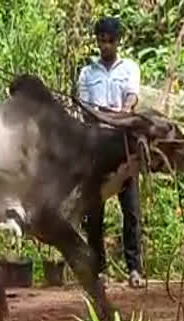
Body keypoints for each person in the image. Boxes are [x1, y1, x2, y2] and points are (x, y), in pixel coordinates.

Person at [78, 16, 145, 288]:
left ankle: (134, 268)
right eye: (101, 41)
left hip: (123, 147)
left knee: (131, 210)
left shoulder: (129, 68)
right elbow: (84, 108)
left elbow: (131, 99)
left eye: (110, 41)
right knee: (94, 211)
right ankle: (98, 269)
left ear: (118, 42)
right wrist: (102, 117)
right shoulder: (86, 73)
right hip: (96, 148)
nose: (105, 46)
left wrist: (119, 115)